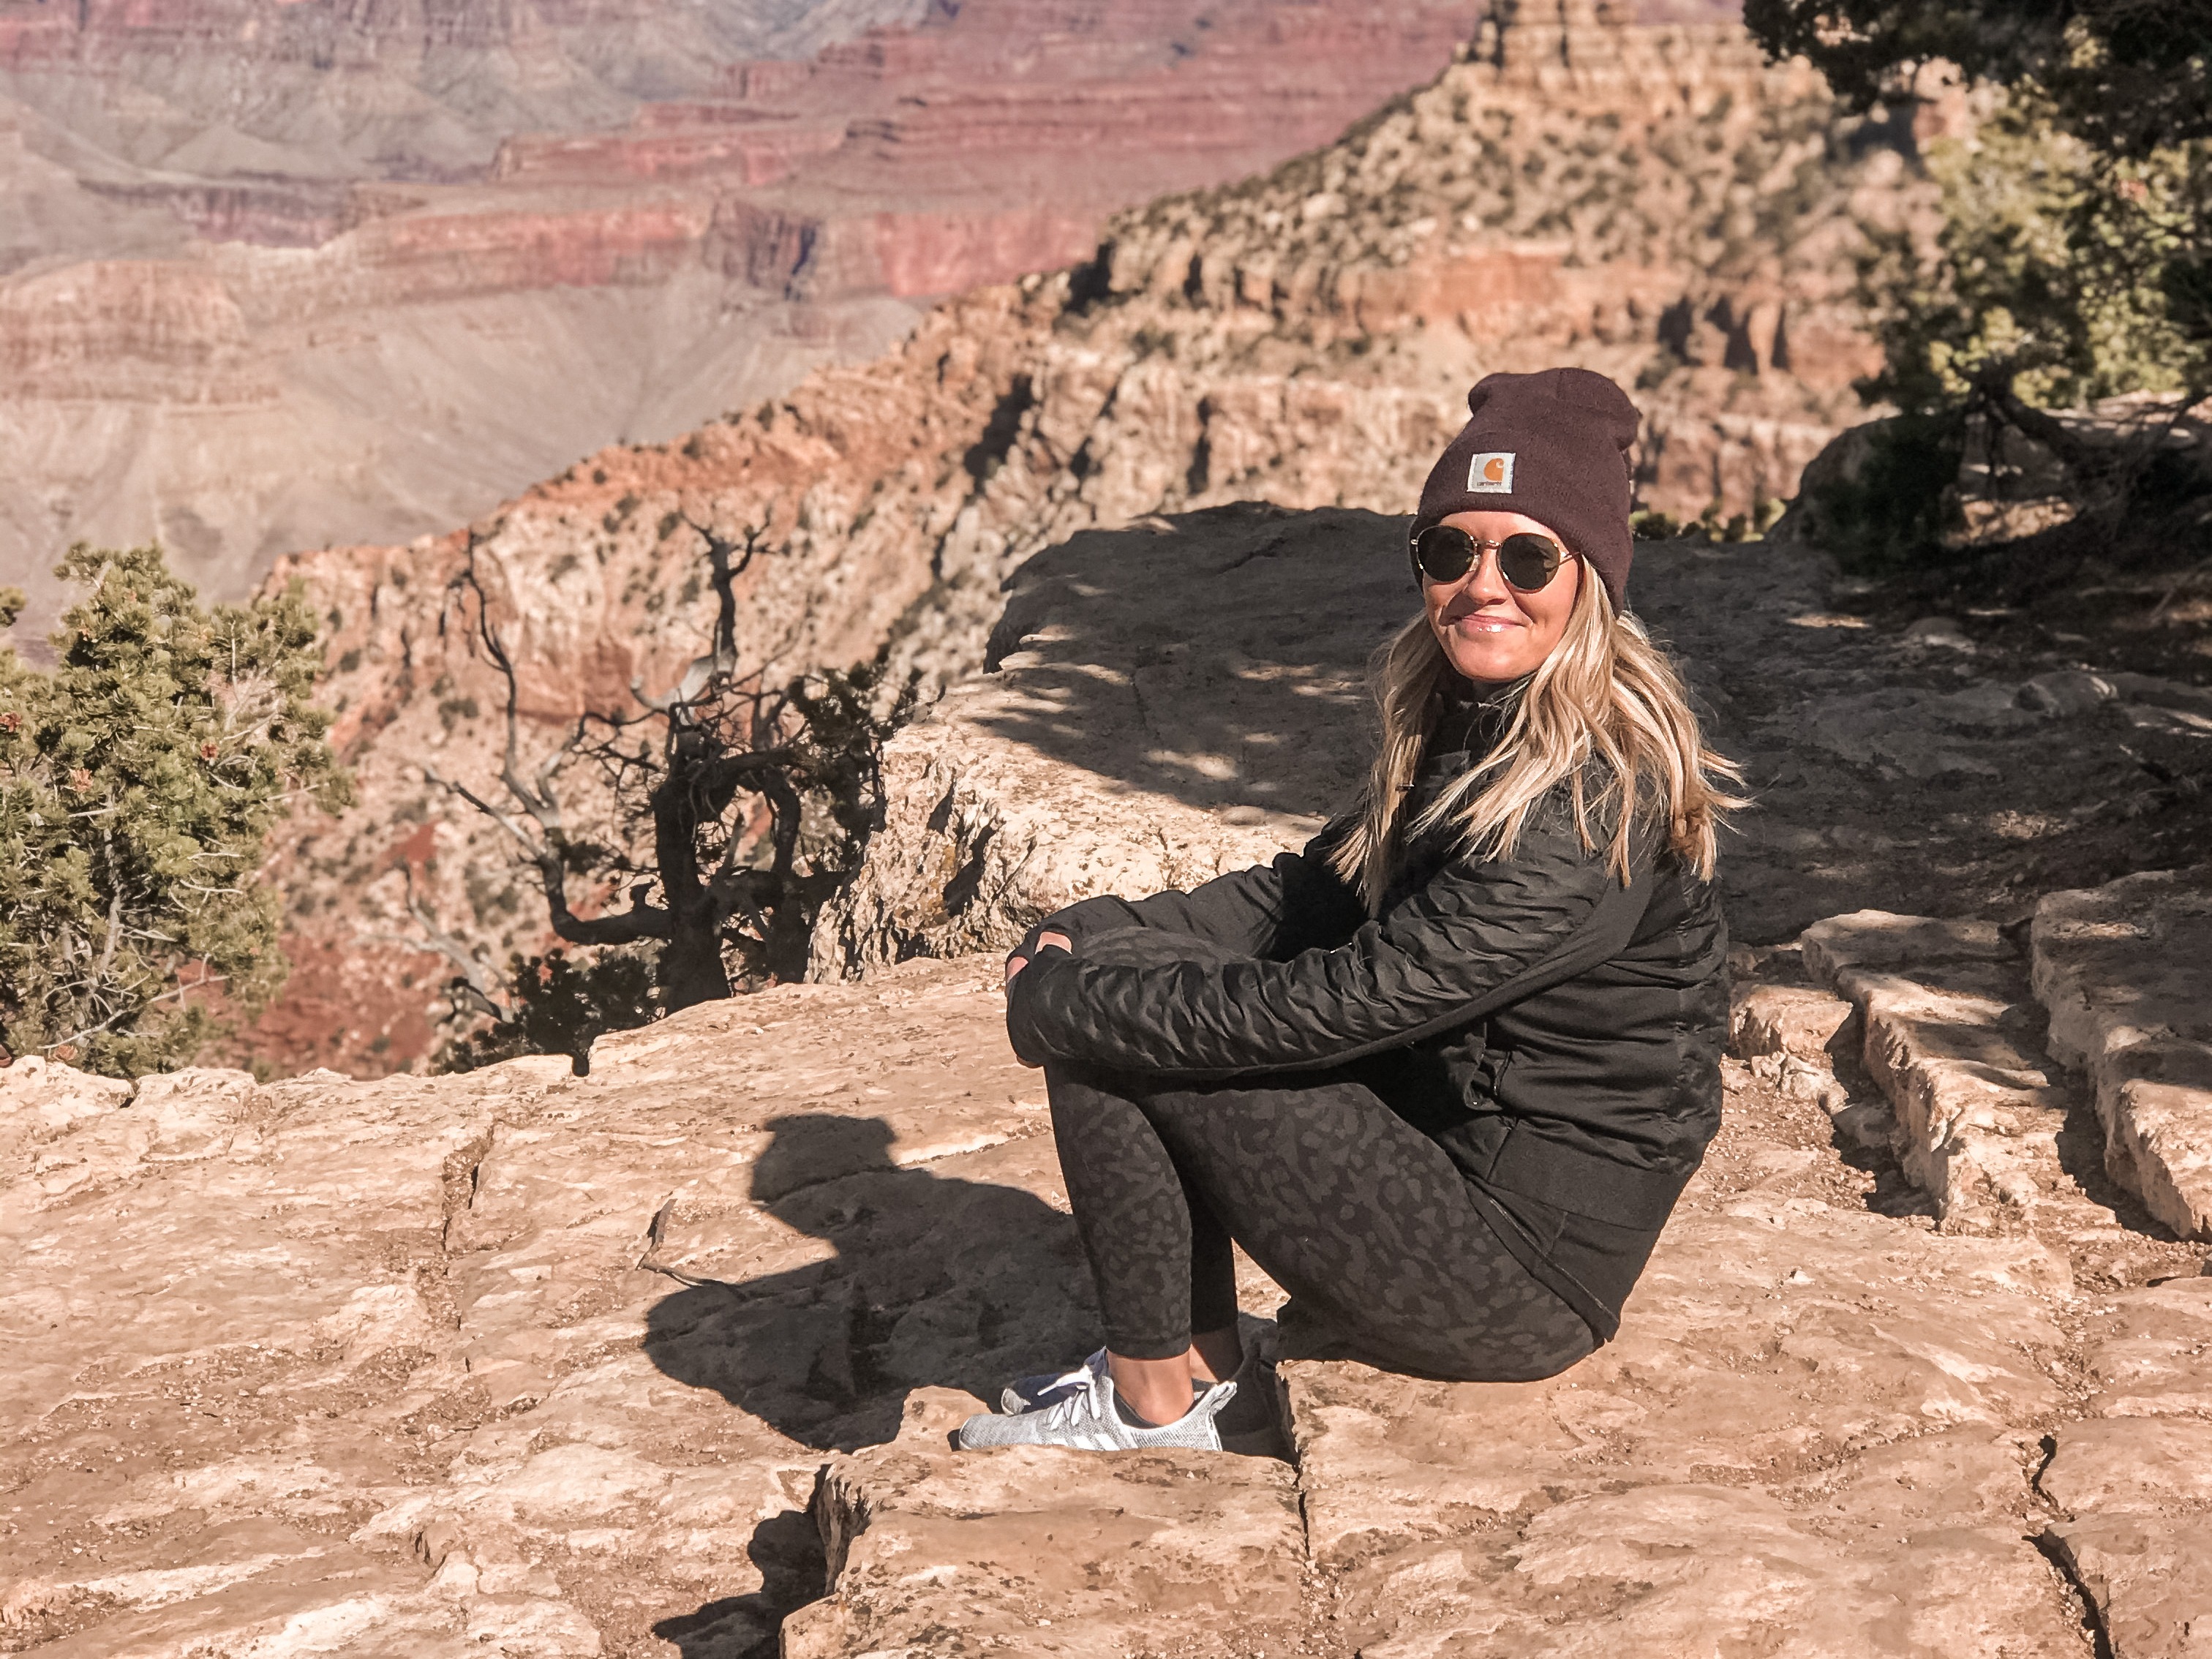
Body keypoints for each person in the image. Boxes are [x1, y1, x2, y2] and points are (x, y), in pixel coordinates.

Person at [957, 367, 1742, 1456]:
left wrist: (1072, 1000)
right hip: (1456, 1169)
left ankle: (1151, 1406)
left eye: (1527, 558)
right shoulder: (1478, 723)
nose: (1483, 586)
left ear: (1590, 582)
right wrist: (1095, 925)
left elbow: (1345, 1005)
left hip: (1520, 1273)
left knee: (1113, 1022)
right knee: (1122, 978)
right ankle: (1200, 1368)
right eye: (1449, 551)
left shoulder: (1580, 806)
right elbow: (1315, 893)